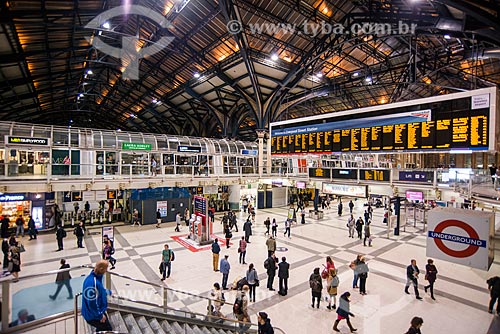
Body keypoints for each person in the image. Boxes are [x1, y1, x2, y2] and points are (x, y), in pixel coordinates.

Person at [82, 260, 112, 331]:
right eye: (106, 268)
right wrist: (99, 316)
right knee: (107, 329)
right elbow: (92, 303)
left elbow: (98, 291)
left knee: (101, 329)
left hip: (93, 312)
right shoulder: (93, 283)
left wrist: (106, 292)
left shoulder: (94, 278)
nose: (106, 270)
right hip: (93, 315)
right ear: (102, 269)